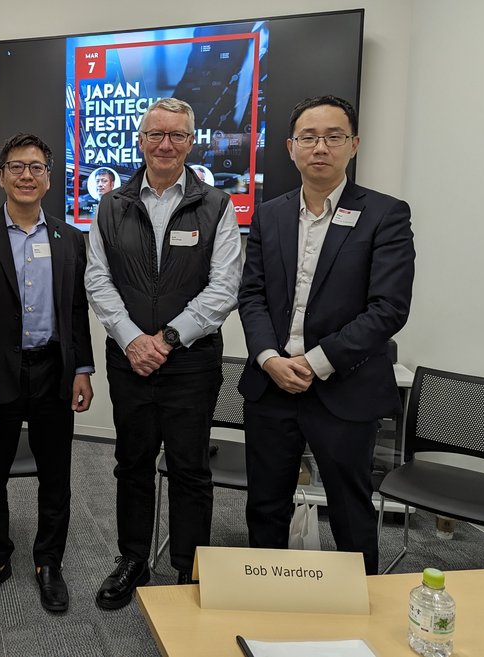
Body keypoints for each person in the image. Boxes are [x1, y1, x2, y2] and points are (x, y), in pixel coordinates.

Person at [237, 95, 415, 574]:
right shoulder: (269, 214)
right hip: (272, 386)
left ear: (353, 145)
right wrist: (269, 358)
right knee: (265, 506)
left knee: (350, 512)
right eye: (309, 137)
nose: (321, 147)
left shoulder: (386, 215)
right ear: (290, 148)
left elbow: (388, 309)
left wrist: (316, 362)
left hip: (343, 385)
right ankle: (266, 603)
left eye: (333, 136)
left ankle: (357, 618)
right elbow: (251, 296)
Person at [86, 97, 241, 608]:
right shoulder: (111, 206)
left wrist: (168, 338)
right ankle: (132, 559)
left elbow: (224, 287)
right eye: (156, 134)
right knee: (131, 462)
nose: (166, 144)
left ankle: (188, 569)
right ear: (141, 140)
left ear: (190, 142)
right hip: (128, 360)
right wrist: (133, 339)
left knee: (189, 467)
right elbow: (98, 280)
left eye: (177, 135)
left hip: (191, 363)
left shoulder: (216, 205)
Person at [0, 133, 94, 614]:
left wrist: (82, 369)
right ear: (1, 177)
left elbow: (77, 311)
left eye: (36, 167)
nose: (26, 176)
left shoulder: (70, 238)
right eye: (16, 167)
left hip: (54, 371)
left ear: (49, 179)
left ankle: (48, 562)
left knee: (56, 475)